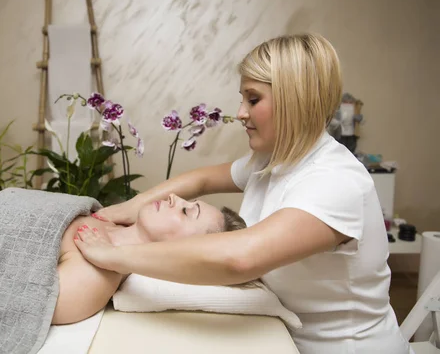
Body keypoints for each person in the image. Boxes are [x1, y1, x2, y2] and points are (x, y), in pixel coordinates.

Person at [73, 34, 411, 353]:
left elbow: (241, 259)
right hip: (282, 338)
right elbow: (201, 180)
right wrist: (131, 207)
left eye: (253, 99)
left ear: (295, 101)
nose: (241, 113)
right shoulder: (276, 160)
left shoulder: (335, 182)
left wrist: (115, 256)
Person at [53, 195, 245, 324]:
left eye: (186, 211)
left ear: (188, 252)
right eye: (186, 200)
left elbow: (28, 306)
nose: (173, 197)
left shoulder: (97, 276)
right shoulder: (105, 216)